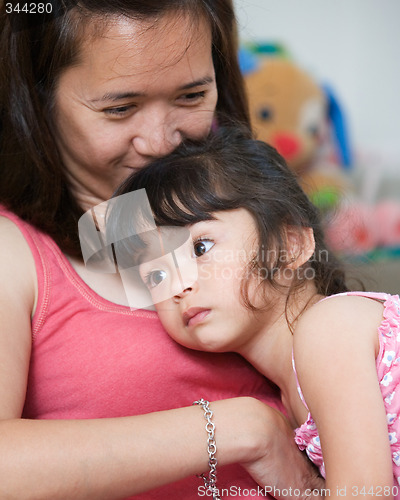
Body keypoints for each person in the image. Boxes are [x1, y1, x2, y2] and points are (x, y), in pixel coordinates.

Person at [0, 1, 326, 498]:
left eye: (192, 94)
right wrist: (244, 430)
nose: (160, 141)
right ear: (38, 99)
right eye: (119, 108)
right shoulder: (14, 250)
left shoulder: (249, 215)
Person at [111, 126, 400, 499]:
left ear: (289, 244)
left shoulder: (329, 330)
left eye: (200, 247)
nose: (177, 285)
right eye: (156, 274)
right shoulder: (286, 394)